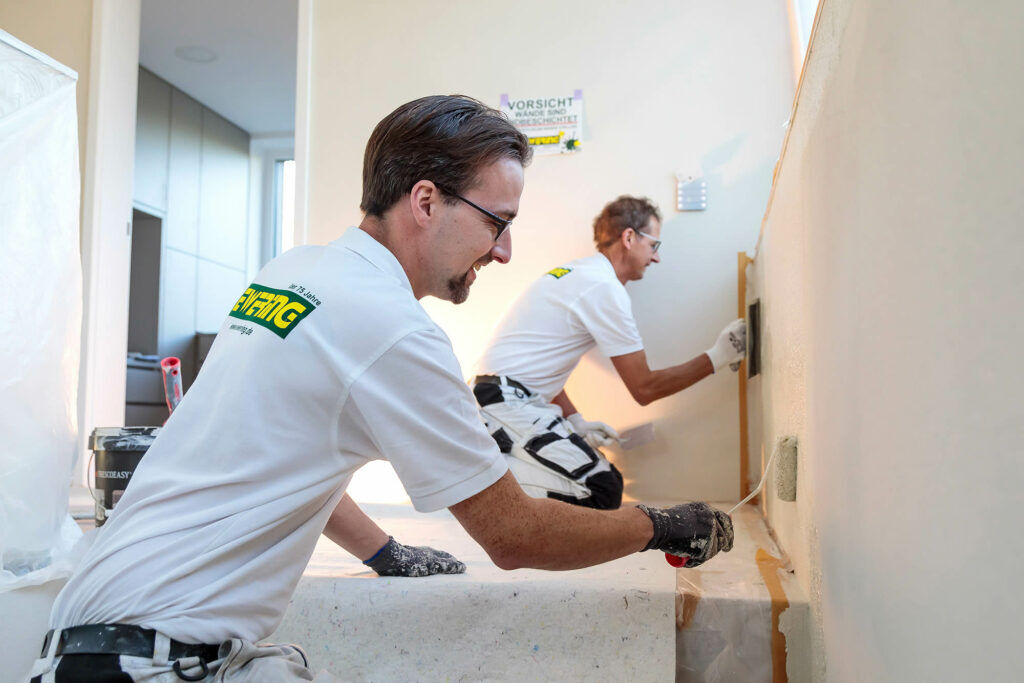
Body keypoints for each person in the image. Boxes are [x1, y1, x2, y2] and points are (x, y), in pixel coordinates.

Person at [32, 97, 733, 682]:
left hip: (87, 636)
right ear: (426, 201)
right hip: (153, 661)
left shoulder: (295, 271)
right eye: (498, 223)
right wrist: (663, 525)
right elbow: (514, 534)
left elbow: (290, 456)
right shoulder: (396, 330)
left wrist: (381, 551)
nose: (504, 251)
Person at [472, 195, 747, 509]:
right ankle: (488, 482)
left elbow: (539, 368)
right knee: (601, 490)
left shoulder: (581, 275)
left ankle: (504, 468)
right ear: (629, 237)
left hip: (502, 396)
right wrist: (719, 356)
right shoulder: (603, 288)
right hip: (502, 403)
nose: (656, 258)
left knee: (608, 483)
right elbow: (644, 388)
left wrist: (576, 421)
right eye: (653, 245)